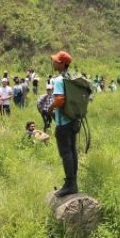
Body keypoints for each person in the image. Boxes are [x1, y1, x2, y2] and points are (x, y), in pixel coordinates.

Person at [49, 51, 82, 196]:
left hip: (63, 123)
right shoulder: (71, 77)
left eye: (56, 61)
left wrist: (50, 108)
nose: (53, 62)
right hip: (73, 120)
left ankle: (70, 184)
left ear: (62, 64)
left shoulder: (58, 80)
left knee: (66, 153)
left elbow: (59, 100)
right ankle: (73, 183)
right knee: (72, 151)